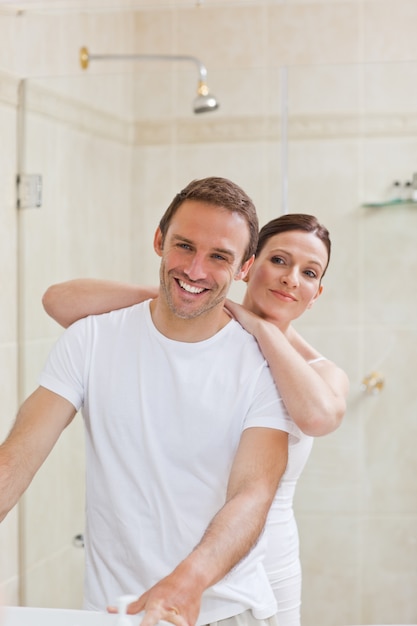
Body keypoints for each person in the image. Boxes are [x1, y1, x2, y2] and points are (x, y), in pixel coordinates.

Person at [0, 177, 300, 626]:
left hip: (223, 610)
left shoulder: (262, 364)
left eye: (219, 256)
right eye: (184, 246)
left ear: (244, 267)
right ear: (159, 241)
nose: (196, 270)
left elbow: (252, 493)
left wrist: (186, 582)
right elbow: (16, 460)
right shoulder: (92, 339)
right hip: (118, 611)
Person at [43, 213, 349, 626]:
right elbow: (58, 302)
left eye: (308, 272)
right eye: (279, 260)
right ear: (247, 266)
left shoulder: (318, 369)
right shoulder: (207, 336)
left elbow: (318, 417)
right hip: (179, 564)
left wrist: (260, 327)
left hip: (264, 571)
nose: (291, 278)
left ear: (316, 293)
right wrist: (185, 293)